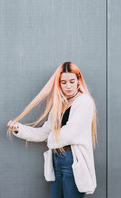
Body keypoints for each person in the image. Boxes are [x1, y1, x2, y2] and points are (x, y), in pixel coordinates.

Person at [7, 61, 98, 198]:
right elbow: (44, 132)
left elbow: (70, 134)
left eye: (72, 81)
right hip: (56, 160)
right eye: (63, 82)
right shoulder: (59, 103)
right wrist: (19, 129)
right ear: (59, 83)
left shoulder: (84, 102)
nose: (68, 86)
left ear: (79, 81)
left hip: (72, 161)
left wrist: (49, 138)